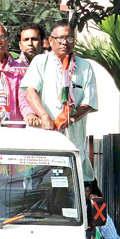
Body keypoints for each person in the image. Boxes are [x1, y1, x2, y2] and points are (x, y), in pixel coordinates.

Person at [20, 19, 98, 182]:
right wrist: (44, 115)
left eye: (69, 38)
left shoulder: (84, 66)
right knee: (38, 185)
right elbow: (30, 91)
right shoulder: (41, 61)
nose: (64, 42)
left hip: (72, 138)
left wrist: (71, 118)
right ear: (50, 40)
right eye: (60, 38)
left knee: (68, 186)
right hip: (43, 134)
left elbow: (88, 102)